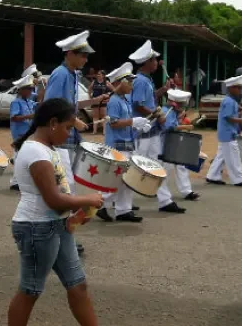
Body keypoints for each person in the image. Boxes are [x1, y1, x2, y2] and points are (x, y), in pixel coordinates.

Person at [7, 98, 104, 326]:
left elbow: (60, 194)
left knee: (78, 284)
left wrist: (76, 214)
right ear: (53, 123)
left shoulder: (47, 149)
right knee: (30, 290)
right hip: (36, 227)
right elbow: (53, 199)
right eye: (68, 127)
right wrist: (87, 199)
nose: (69, 134)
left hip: (56, 225)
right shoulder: (35, 152)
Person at [44, 30, 109, 254]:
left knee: (68, 189)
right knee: (66, 189)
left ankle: (62, 236)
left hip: (69, 139)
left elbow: (70, 105)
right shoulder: (61, 74)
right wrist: (73, 120)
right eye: (82, 55)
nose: (86, 59)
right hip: (60, 141)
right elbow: (52, 106)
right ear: (70, 53)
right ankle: (63, 238)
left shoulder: (72, 75)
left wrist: (93, 101)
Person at [129, 40, 188, 213]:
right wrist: (157, 114)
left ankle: (165, 200)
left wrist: (163, 89)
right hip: (143, 130)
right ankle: (115, 201)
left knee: (155, 165)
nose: (156, 62)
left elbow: (149, 98)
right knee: (135, 165)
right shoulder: (140, 81)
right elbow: (138, 104)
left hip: (151, 130)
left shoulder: (146, 80)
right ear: (147, 62)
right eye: (154, 60)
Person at [96, 62, 147, 223]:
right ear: (120, 83)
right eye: (129, 82)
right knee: (117, 180)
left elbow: (125, 124)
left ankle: (124, 210)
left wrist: (138, 127)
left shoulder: (124, 100)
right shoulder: (114, 101)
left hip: (127, 144)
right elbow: (114, 123)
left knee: (128, 181)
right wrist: (133, 122)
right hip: (117, 146)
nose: (132, 85)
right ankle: (98, 204)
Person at [205, 76, 242, 187]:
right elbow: (227, 117)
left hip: (226, 133)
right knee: (234, 156)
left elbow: (236, 108)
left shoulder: (230, 100)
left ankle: (212, 175)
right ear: (231, 88)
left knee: (222, 155)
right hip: (228, 133)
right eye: (238, 87)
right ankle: (239, 179)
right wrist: (240, 120)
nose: (240, 90)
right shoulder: (229, 101)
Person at [157, 89, 200, 201]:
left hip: (173, 142)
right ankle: (159, 192)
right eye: (181, 104)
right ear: (175, 103)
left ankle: (187, 191)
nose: (183, 106)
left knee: (181, 166)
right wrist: (184, 127)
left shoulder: (172, 111)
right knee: (165, 169)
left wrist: (181, 121)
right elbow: (167, 127)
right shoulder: (167, 111)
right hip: (164, 144)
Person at [9, 74, 38, 191]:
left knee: (21, 156)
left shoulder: (29, 102)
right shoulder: (16, 102)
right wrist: (29, 116)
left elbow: (40, 100)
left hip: (27, 133)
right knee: (19, 156)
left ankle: (18, 181)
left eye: (32, 89)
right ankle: (15, 182)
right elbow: (14, 117)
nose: (31, 91)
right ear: (22, 90)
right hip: (19, 132)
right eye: (29, 89)